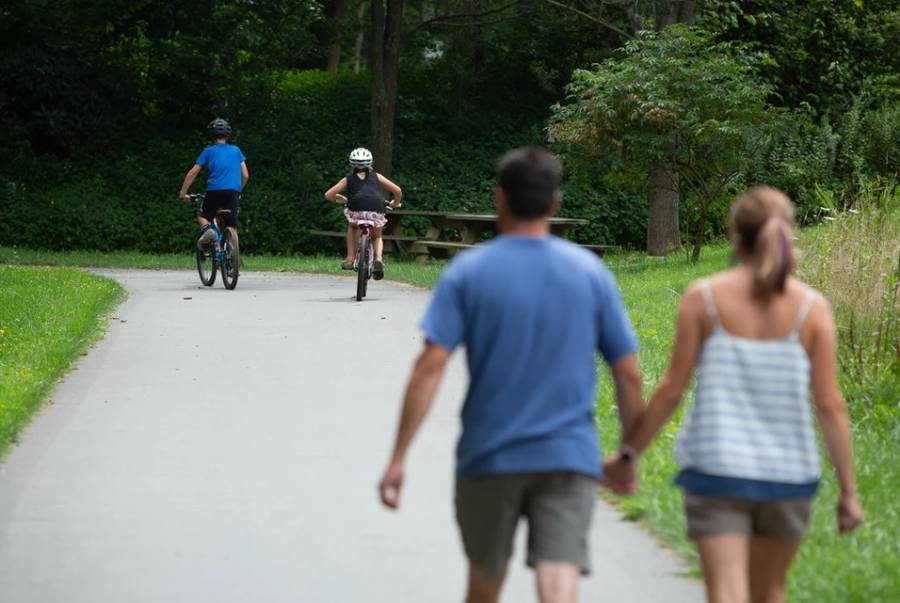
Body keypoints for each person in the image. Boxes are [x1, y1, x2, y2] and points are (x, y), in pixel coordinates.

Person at [377, 147, 644, 603]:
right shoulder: (590, 273)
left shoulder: (469, 272)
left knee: (485, 581)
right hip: (568, 456)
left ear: (499, 199)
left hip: (489, 456)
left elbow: (430, 366)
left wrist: (399, 456)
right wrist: (628, 453)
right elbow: (629, 374)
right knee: (559, 578)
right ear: (555, 205)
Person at [606, 186, 864, 603]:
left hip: (717, 472)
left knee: (725, 594)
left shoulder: (703, 299)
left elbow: (672, 389)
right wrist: (849, 493)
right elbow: (829, 405)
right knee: (769, 593)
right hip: (788, 479)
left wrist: (629, 454)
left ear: (733, 236)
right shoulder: (812, 309)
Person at [324, 148, 402, 280]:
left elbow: (328, 195)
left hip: (357, 208)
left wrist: (341, 198)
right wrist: (394, 203)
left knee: (353, 227)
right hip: (376, 208)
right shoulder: (377, 176)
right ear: (370, 163)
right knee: (377, 237)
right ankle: (378, 259)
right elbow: (398, 190)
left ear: (351, 164)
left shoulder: (348, 179)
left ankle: (349, 259)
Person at [178, 118, 249, 248]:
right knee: (231, 225)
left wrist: (183, 193)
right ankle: (234, 259)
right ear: (228, 134)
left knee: (203, 215)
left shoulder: (208, 151)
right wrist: (238, 191)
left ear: (211, 135)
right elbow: (245, 175)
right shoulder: (236, 150)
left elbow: (192, 173)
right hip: (233, 192)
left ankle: (208, 230)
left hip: (214, 191)